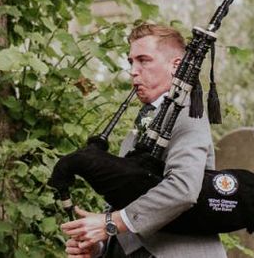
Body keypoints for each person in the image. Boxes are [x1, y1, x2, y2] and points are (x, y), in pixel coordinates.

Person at [61, 23, 227, 258]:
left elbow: (183, 188)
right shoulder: (140, 128)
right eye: (131, 62)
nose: (133, 71)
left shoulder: (189, 114)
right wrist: (97, 247)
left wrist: (109, 223)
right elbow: (126, 201)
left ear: (176, 66)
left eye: (144, 60)